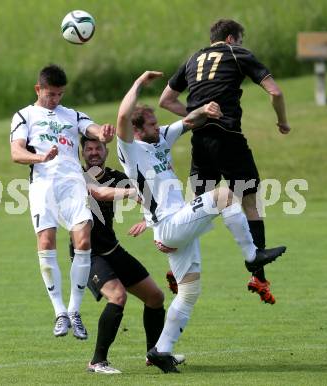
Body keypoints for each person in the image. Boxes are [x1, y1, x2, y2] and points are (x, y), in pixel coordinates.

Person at [116, 70, 286, 373]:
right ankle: (252, 256)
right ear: (137, 130)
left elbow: (188, 122)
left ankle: (161, 351)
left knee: (190, 291)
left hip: (176, 227)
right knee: (223, 195)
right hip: (169, 224)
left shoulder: (159, 140)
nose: (159, 127)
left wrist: (204, 110)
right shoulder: (130, 149)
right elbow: (122, 116)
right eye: (152, 124)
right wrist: (139, 83)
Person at [158, 19, 291, 304]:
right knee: (250, 202)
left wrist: (196, 115)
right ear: (231, 38)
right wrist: (282, 122)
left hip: (200, 140)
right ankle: (258, 274)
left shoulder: (193, 58)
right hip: (228, 139)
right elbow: (276, 92)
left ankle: (175, 269)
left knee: (195, 206)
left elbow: (166, 100)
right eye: (240, 41)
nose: (241, 45)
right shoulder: (235, 53)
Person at [10, 64, 114, 340]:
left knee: (83, 241)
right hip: (43, 184)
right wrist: (40, 158)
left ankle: (74, 311)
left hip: (73, 183)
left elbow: (93, 129)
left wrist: (103, 133)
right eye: (51, 94)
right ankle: (59, 312)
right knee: (46, 242)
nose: (55, 100)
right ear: (38, 89)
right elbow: (16, 152)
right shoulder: (25, 115)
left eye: (59, 95)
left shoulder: (72, 115)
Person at [76, 136, 185, 374]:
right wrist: (129, 193)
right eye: (89, 149)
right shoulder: (76, 176)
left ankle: (155, 354)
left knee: (155, 297)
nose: (94, 152)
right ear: (82, 153)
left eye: (98, 148)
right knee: (117, 296)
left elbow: (150, 199)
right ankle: (97, 362)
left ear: (106, 151)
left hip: (112, 249)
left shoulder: (117, 176)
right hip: (87, 254)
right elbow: (98, 193)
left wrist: (149, 221)